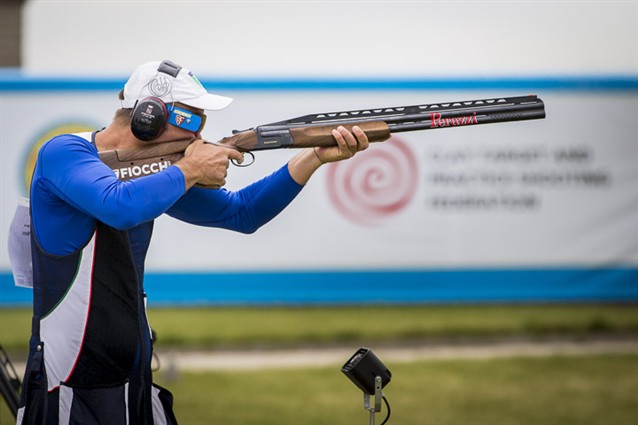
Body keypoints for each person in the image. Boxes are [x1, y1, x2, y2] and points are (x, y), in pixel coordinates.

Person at [16, 60, 370, 425]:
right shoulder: (64, 153)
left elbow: (243, 213)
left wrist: (313, 156)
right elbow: (118, 206)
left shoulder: (161, 175)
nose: (198, 136)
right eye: (191, 120)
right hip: (69, 388)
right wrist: (190, 170)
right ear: (148, 115)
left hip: (133, 379)